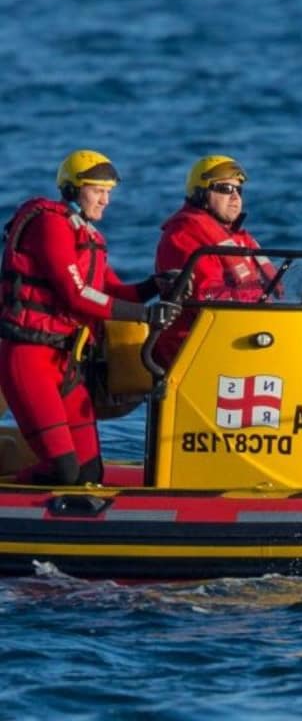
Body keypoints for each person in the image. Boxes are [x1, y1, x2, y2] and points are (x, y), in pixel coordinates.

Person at [0, 150, 180, 485]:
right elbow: (76, 294)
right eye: (98, 190)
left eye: (109, 192)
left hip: (67, 364)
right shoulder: (49, 225)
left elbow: (111, 293)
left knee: (89, 473)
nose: (106, 200)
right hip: (30, 360)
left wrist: (154, 286)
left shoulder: (89, 237)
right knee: (64, 471)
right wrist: (146, 315)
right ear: (72, 189)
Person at [152, 155, 275, 367]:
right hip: (197, 352)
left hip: (242, 340)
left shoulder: (238, 238)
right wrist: (259, 300)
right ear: (201, 193)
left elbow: (277, 289)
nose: (235, 196)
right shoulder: (184, 236)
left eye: (238, 190)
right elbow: (206, 296)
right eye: (225, 189)